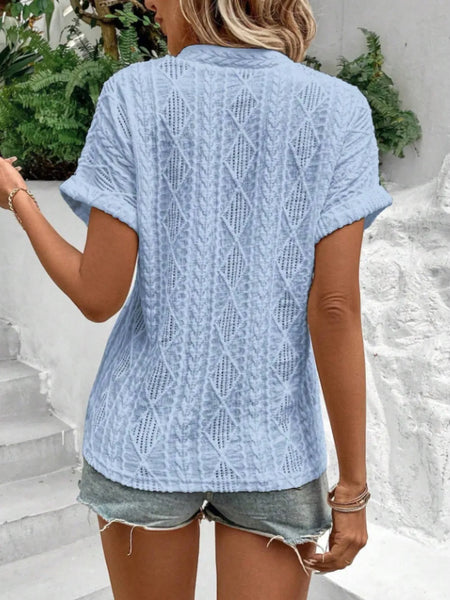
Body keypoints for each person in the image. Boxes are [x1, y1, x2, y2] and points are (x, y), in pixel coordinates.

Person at [0, 0, 392, 598]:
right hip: (273, 446)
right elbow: (334, 308)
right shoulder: (340, 109)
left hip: (143, 437)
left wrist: (17, 198)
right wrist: (352, 491)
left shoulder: (134, 95)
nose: (147, 4)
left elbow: (98, 296)